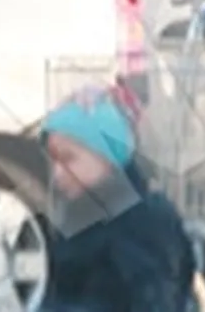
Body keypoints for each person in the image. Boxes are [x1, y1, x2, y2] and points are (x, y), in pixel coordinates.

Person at [37, 85, 196, 312]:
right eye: (52, 160)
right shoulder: (73, 216)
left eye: (68, 159)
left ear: (107, 158)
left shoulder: (143, 224)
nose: (57, 173)